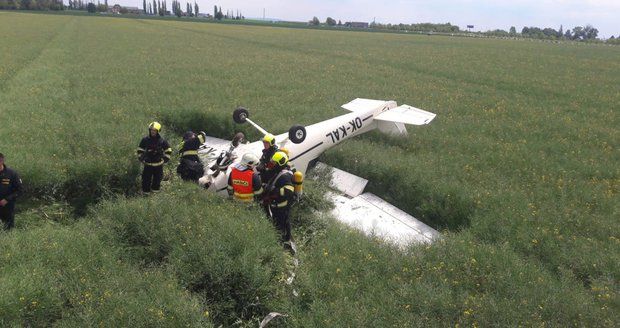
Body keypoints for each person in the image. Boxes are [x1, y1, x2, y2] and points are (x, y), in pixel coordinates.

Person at [262, 151, 296, 253]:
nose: (272, 165)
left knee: (281, 225)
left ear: (280, 163)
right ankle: (284, 239)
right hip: (276, 205)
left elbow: (289, 191)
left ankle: (283, 243)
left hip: (281, 206)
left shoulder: (286, 176)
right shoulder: (280, 172)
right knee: (282, 223)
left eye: (274, 163)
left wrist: (274, 191)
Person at [136, 122, 172, 194]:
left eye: (155, 130)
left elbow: (168, 150)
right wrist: (141, 158)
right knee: (146, 180)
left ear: (158, 131)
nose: (152, 131)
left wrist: (164, 160)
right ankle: (146, 195)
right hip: (148, 164)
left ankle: (155, 195)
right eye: (151, 130)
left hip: (158, 165)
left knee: (157, 180)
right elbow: (140, 150)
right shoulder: (145, 140)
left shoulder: (162, 141)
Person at [0, 153, 22, 231]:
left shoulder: (12, 173)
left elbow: (19, 190)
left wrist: (7, 199)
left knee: (8, 230)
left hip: (7, 206)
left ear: (2, 161)